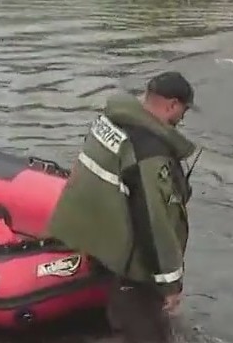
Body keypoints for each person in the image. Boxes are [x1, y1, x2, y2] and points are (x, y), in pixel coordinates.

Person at [47, 71, 198, 343]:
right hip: (127, 257)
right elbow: (154, 221)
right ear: (172, 104)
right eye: (183, 111)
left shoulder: (110, 120)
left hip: (97, 233)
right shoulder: (150, 153)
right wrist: (170, 285)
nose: (181, 119)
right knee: (144, 331)